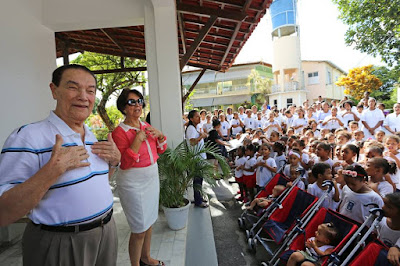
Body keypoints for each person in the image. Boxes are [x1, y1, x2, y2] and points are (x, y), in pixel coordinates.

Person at [0, 64, 121, 265]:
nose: (83, 96)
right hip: (61, 242)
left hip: (106, 233)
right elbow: (3, 212)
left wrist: (114, 163)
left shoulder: (91, 135)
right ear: (54, 90)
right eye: (73, 87)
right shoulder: (28, 137)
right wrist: (52, 171)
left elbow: (90, 185)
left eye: (90, 90)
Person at [112, 89, 167, 266]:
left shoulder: (145, 126)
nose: (137, 105)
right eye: (132, 102)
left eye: (139, 101)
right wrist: (137, 140)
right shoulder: (119, 132)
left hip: (151, 178)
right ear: (123, 107)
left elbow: (161, 150)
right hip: (132, 183)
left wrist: (160, 136)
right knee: (139, 229)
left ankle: (146, 257)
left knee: (149, 222)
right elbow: (124, 163)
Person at [185, 110, 209, 208]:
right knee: (197, 180)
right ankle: (198, 201)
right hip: (196, 158)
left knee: (199, 180)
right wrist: (201, 137)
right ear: (191, 119)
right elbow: (192, 142)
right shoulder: (190, 129)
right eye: (196, 117)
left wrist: (201, 135)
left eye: (199, 116)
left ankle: (198, 197)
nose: (199, 118)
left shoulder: (194, 128)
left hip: (199, 157)